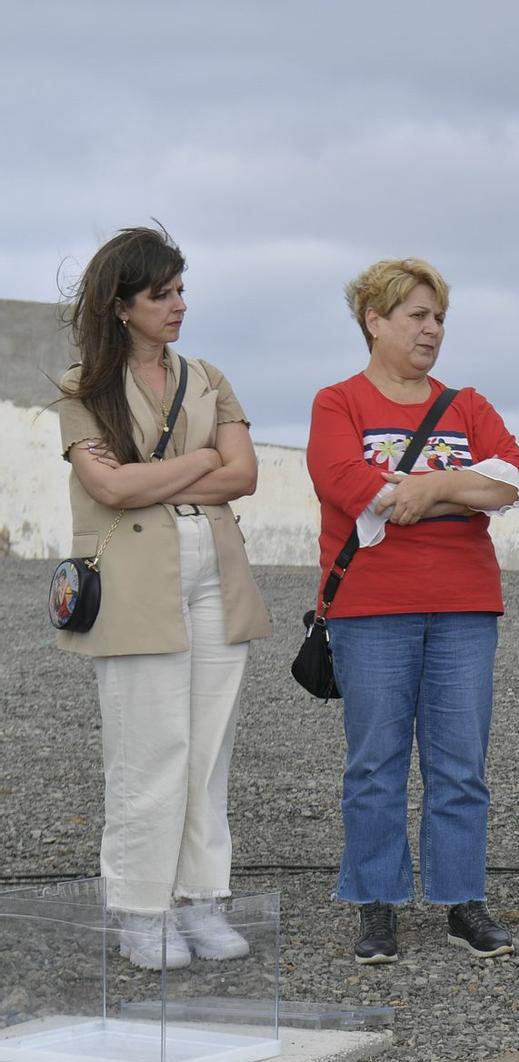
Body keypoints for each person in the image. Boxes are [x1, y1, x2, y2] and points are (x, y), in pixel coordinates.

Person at [307, 257, 519, 965]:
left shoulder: (467, 405)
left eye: (438, 317)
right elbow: (347, 481)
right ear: (374, 321)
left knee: (460, 764)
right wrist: (465, 485)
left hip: (465, 608)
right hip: (371, 611)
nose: (432, 329)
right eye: (417, 315)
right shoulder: (336, 402)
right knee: (375, 763)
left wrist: (429, 493)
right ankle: (376, 904)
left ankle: (460, 900)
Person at [56, 225, 270, 969]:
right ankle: (140, 908)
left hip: (217, 568)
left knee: (209, 748)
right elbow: (108, 488)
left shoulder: (208, 376)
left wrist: (163, 470)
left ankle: (201, 899)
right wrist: (202, 458)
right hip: (134, 583)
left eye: (181, 289)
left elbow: (242, 476)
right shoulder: (83, 389)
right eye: (162, 293)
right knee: (149, 749)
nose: (179, 304)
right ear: (121, 305)